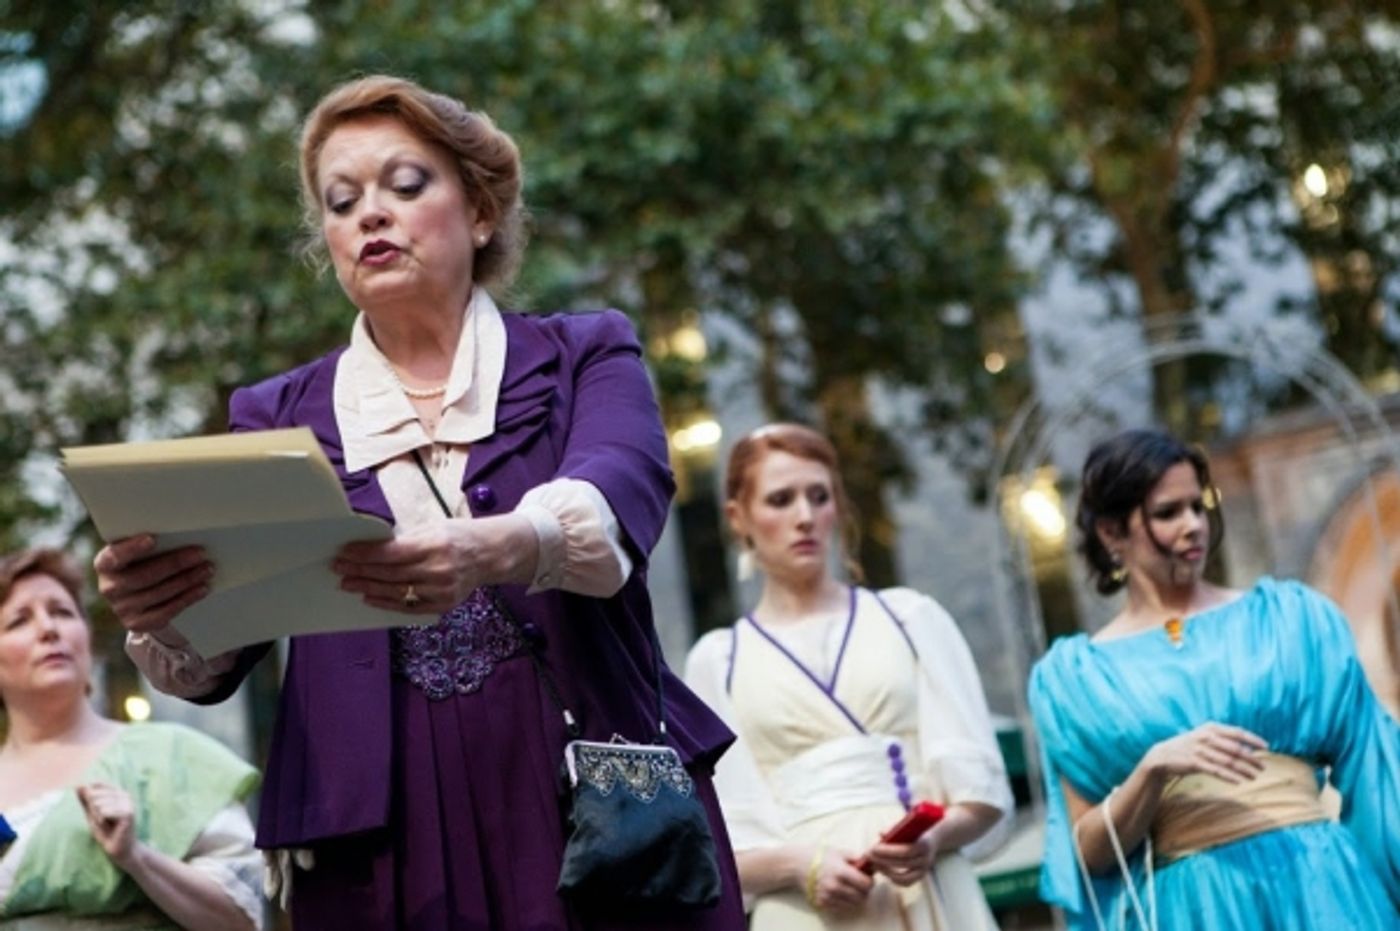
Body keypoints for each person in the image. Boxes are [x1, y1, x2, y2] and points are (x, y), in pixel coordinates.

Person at [90, 75, 745, 929]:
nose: (371, 214)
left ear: (480, 213)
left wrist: (497, 547)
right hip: (379, 840)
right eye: (341, 200)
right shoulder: (275, 415)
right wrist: (165, 610)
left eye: (405, 185)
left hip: (588, 802)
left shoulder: (588, 353)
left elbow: (617, 499)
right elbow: (223, 638)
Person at [1029, 428, 1400, 930]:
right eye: (1168, 513)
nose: (1194, 526)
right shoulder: (1076, 679)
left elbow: (1377, 773)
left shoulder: (1291, 621)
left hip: (1321, 890)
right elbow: (1090, 854)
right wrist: (1151, 772)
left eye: (1197, 506)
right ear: (1112, 533)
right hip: (1196, 909)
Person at [684, 423, 1012, 930]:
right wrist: (800, 865)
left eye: (820, 496)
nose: (804, 517)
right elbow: (718, 843)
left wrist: (933, 839)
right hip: (800, 910)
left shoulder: (911, 620)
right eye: (780, 499)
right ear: (738, 517)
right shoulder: (718, 661)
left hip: (923, 894)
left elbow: (982, 790)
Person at [0, 548, 261, 930]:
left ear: (87, 639)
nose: (48, 629)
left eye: (62, 612)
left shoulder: (174, 757)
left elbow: (243, 916)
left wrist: (136, 857)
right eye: (19, 621)